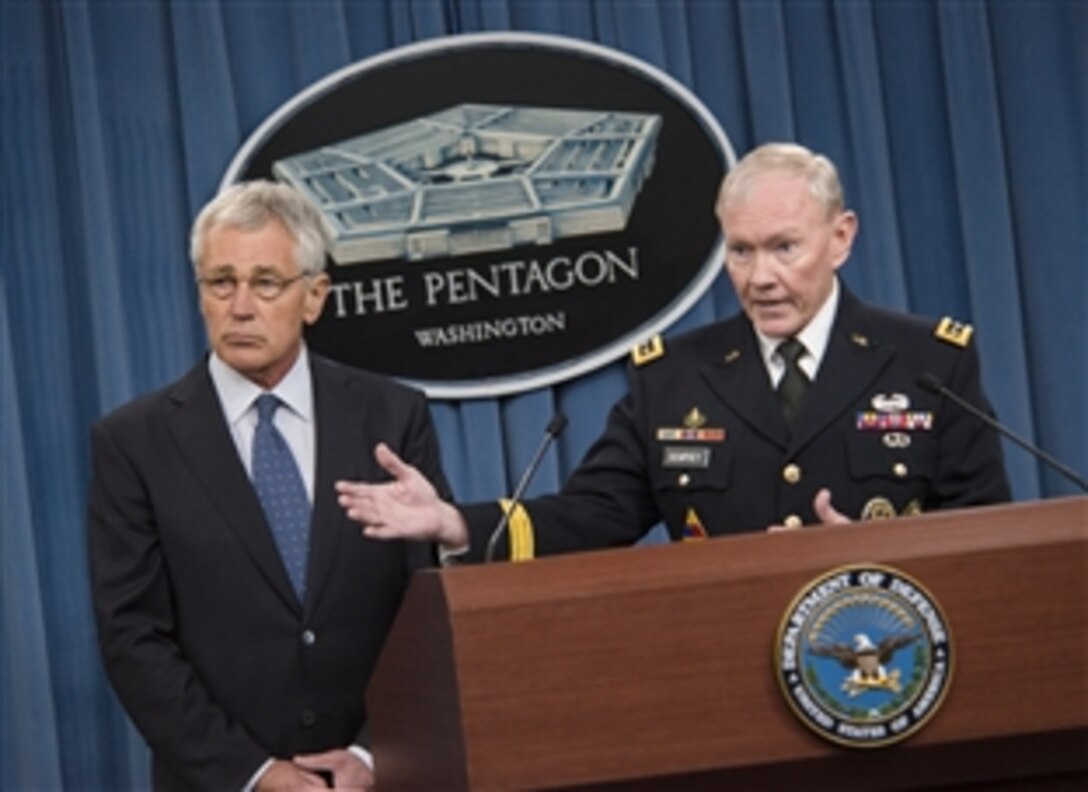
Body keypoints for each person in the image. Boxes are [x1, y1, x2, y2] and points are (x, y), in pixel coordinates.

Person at [335, 142, 1010, 560]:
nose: (760, 277)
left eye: (784, 247)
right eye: (740, 251)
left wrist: (876, 553)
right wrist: (454, 522)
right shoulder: (675, 376)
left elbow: (987, 538)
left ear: (841, 237)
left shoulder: (930, 362)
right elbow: (594, 515)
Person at [87, 181, 450, 790]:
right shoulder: (133, 443)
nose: (240, 306)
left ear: (314, 297)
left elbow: (428, 604)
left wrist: (370, 754)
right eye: (220, 282)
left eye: (266, 283)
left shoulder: (391, 418)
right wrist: (252, 774)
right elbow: (133, 637)